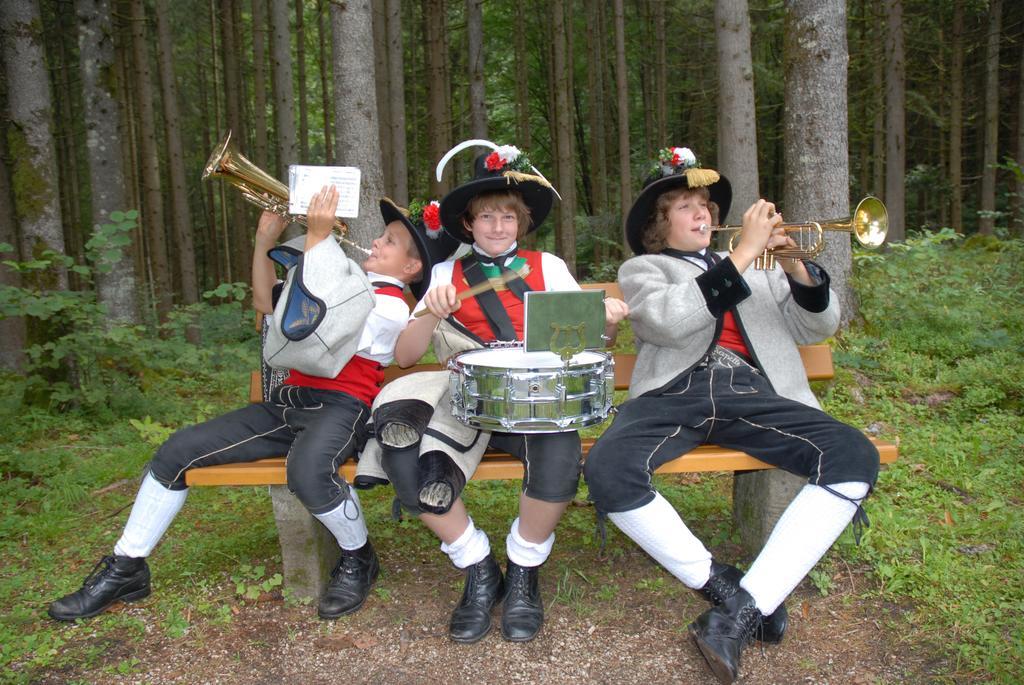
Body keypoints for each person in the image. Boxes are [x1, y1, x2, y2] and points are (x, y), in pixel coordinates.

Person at [47, 187, 450, 622]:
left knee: (308, 472)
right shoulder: (347, 276)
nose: (375, 242)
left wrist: (317, 239)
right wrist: (265, 243)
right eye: (381, 237)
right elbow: (266, 304)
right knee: (175, 453)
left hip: (341, 406)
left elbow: (315, 323)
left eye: (389, 242)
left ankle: (359, 557)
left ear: (411, 268)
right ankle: (126, 566)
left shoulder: (390, 306)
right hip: (287, 402)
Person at [582, 147, 880, 684]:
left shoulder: (764, 267)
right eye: (685, 206)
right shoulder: (644, 268)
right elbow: (670, 324)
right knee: (607, 469)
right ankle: (723, 586)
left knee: (853, 454)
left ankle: (738, 614)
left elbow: (819, 328)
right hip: (674, 392)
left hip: (754, 391)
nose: (703, 214)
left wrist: (791, 262)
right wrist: (742, 253)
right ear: (658, 223)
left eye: (706, 205)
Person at [362, 142, 628, 644]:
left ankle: (524, 568)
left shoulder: (546, 265)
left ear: (522, 221)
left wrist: (608, 323)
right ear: (469, 223)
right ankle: (477, 564)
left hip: (535, 400)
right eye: (488, 217)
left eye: (509, 216)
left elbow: (589, 341)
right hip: (466, 402)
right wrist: (430, 312)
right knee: (405, 456)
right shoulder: (444, 274)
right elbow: (404, 356)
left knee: (559, 456)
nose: (498, 227)